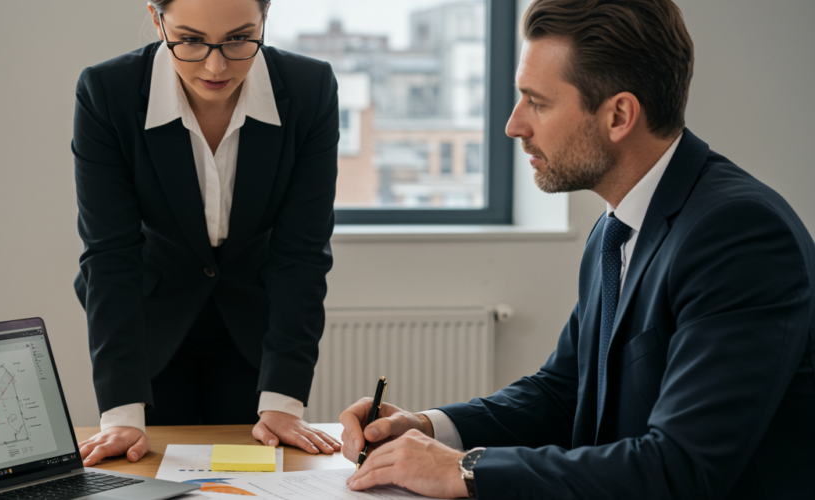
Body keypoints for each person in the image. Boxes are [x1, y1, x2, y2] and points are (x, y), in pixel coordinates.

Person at [339, 0, 815, 498]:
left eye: (537, 103)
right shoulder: (618, 226)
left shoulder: (740, 235)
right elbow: (564, 392)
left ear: (619, 115)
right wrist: (428, 429)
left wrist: (465, 470)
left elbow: (680, 467)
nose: (514, 125)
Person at [72, 0, 342, 467]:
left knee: (256, 479)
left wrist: (283, 401)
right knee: (148, 474)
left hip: (255, 322)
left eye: (239, 38)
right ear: (158, 20)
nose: (216, 66)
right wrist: (120, 412)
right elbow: (110, 254)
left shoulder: (310, 88)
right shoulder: (107, 92)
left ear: (265, 17)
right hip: (148, 319)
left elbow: (301, 253)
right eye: (191, 40)